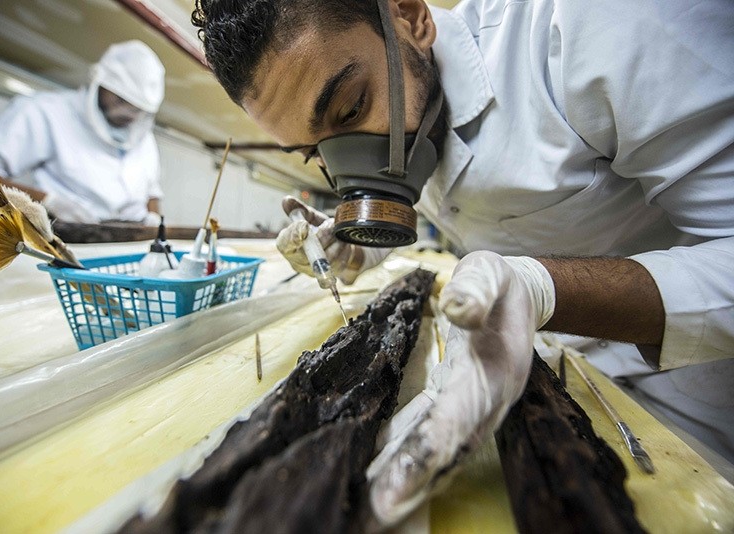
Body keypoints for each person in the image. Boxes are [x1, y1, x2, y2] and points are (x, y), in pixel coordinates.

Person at [192, 0, 734, 526]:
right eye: (315, 152)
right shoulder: (410, 102)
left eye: (351, 108)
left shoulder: (590, 27)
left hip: (697, 409)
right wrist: (361, 245)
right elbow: (450, 201)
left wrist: (545, 290)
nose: (346, 168)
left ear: (409, 16)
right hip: (564, 372)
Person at [0, 40, 166, 225]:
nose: (129, 114)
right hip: (67, 243)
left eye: (138, 109)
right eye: (121, 101)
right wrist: (46, 201)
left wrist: (153, 217)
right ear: (100, 83)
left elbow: (152, 192)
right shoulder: (46, 111)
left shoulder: (143, 137)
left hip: (130, 246)